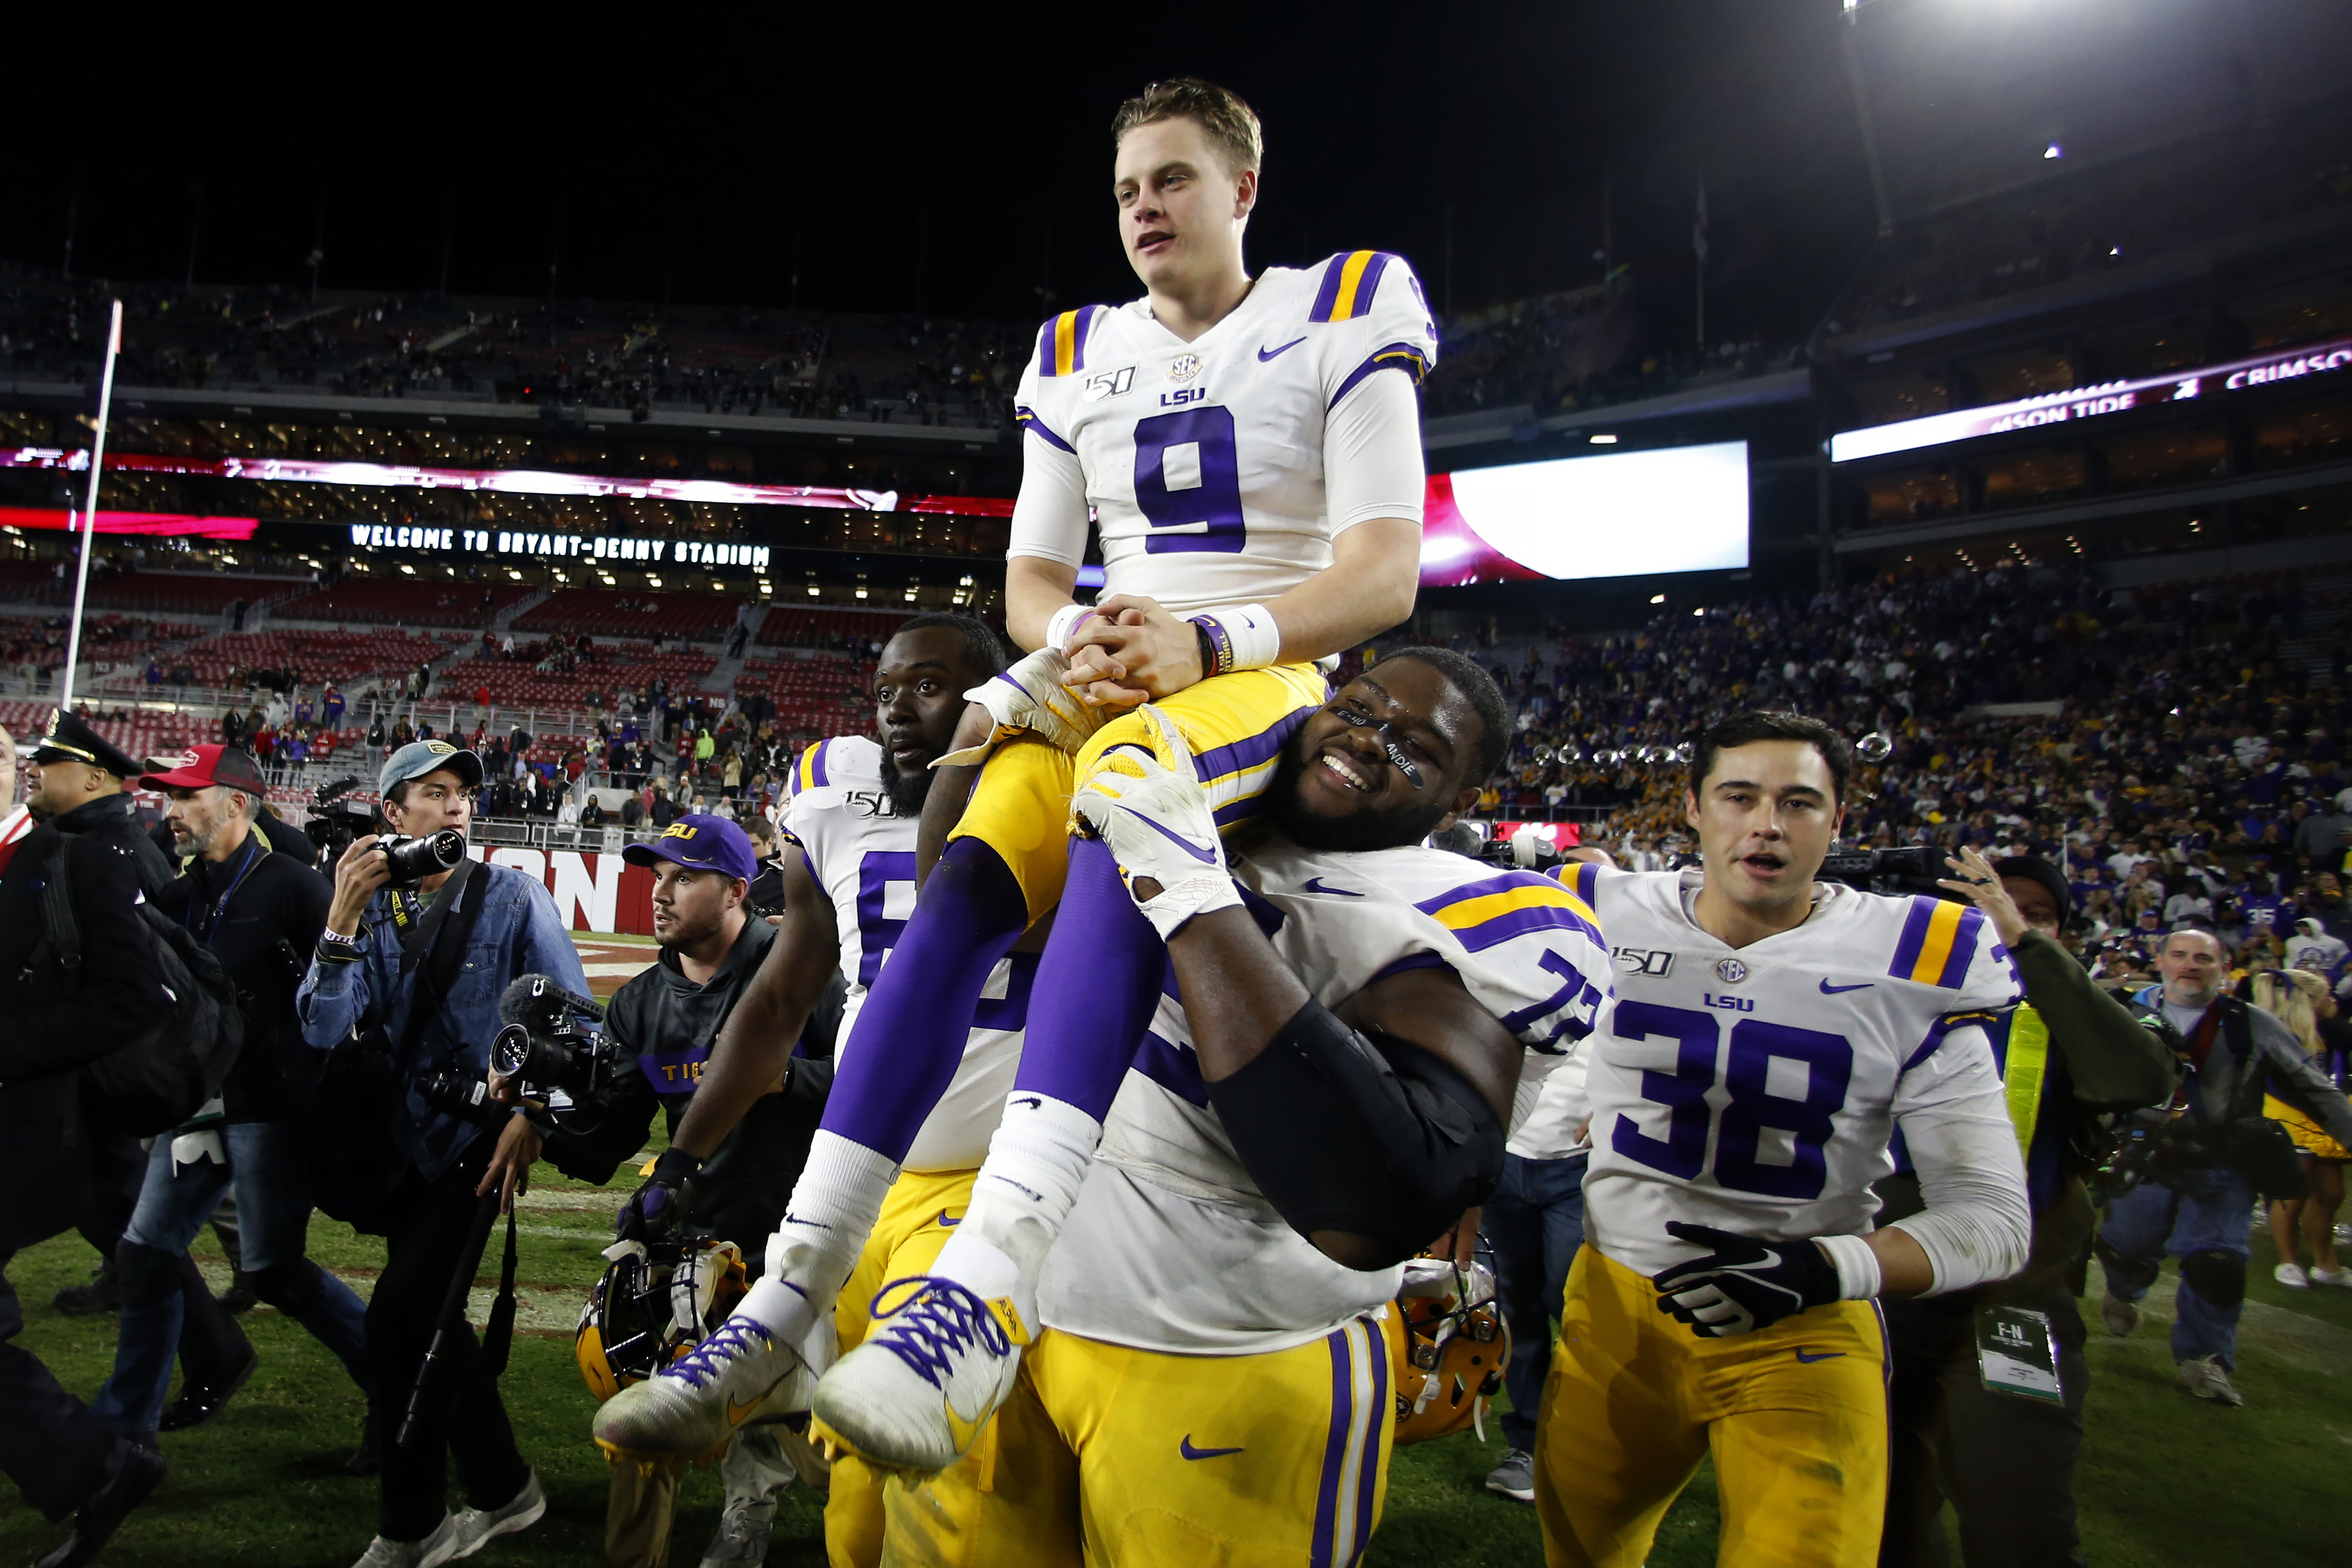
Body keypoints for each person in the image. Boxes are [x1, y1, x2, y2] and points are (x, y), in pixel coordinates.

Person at [607, 74, 1439, 1471]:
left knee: (1129, 802)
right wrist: (1081, 638)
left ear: (1242, 188)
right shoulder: (1073, 348)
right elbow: (1032, 574)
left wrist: (1202, 635)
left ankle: (981, 1290)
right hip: (1112, 662)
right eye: (1125, 189)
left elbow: (1382, 571)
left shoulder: (1343, 299)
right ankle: (794, 1293)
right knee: (960, 895)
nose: (1143, 209)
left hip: (1262, 666)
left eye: (1171, 180)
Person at [839, 649, 1599, 1563]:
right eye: (1357, 707)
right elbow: (983, 916)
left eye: (1413, 748)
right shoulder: (1215, 802)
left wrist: (1194, 893)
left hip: (1229, 1351)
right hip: (1011, 1321)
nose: (1366, 738)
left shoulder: (1473, 908)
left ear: (1459, 797)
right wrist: (977, 742)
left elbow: (1388, 1194)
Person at [1537, 711, 2034, 1568]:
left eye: (1798, 802)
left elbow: (1993, 1217)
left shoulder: (1917, 952)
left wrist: (1824, 1267)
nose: (1767, 822)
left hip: (1803, 1328)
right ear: (1691, 809)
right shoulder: (1597, 907)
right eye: (1740, 796)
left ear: (1837, 821)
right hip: (1616, 1306)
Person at [596, 616, 1025, 1568]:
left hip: (992, 1170)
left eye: (929, 686)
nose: (897, 709)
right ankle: (775, 1341)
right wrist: (682, 1154)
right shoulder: (832, 792)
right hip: (868, 1172)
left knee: (945, 1485)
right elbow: (782, 996)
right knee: (857, 1495)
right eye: (885, 689)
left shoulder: (1047, 783)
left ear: (992, 690)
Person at [297, 738, 591, 1567]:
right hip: (399, 1149)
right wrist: (342, 917)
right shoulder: (368, 904)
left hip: (477, 1140)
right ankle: (504, 1487)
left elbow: (572, 1022)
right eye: (433, 792)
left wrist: (533, 1112)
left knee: (396, 1318)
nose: (457, 804)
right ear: (393, 814)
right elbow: (322, 1027)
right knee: (432, 1320)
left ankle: (411, 1520)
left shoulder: (511, 895)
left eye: (462, 791)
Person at [529, 814, 836, 1568]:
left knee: (826, 1429)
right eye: (656, 877)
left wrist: (787, 1078)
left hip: (817, 1228)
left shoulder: (804, 965)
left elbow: (880, 1078)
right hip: (703, 1236)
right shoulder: (638, 1002)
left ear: (737, 889)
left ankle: (770, 1506)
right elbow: (611, 1137)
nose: (660, 894)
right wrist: (535, 1118)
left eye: (683, 877)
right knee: (645, 1404)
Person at [1876, 850, 2178, 1568]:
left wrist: (2022, 943)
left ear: (2058, 935)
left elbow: (2137, 1076)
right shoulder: (1898, 997)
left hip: (2011, 1302)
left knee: (2017, 1514)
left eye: (2033, 910)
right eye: (1985, 903)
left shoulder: (2072, 1010)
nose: (2002, 915)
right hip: (1889, 1289)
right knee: (1882, 1509)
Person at [88, 745, 372, 1468]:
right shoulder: (187, 889)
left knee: (275, 1269)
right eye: (168, 798)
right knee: (147, 1252)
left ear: (237, 804)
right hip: (203, 1104)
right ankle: (124, 1427)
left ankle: (400, 1384)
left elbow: (351, 991)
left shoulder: (293, 886)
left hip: (269, 1106)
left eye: (186, 797)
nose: (171, 811)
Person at [0, 713, 176, 1567]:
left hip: (34, 1125)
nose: (33, 767)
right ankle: (97, 1462)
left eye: (33, 759)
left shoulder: (80, 857)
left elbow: (132, 994)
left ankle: (99, 1461)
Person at [2097, 927, 2352, 1404]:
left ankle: (2203, 1361)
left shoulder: (2249, 1023)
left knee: (2217, 1264)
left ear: (2223, 965)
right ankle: (2123, 1289)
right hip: (2142, 1159)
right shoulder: (2121, 1012)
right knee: (2125, 1251)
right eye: (2179, 955)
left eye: (2202, 958)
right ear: (2160, 959)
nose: (2189, 965)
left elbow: (2311, 1085)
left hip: (2222, 1164)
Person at [2252, 966, 2351, 1287]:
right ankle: (2289, 1262)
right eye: (2326, 995)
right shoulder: (2279, 1033)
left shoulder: (2327, 1030)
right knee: (2292, 1194)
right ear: (2307, 1000)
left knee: (2332, 1192)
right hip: (2290, 1115)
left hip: (2325, 1116)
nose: (2332, 1000)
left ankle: (2326, 1264)